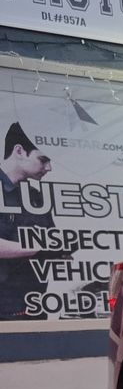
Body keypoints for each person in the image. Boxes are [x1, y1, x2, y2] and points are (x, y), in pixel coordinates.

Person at [0, 121, 57, 319]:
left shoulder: (36, 196)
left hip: (34, 306)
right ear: (19, 151)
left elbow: (52, 239)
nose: (49, 168)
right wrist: (41, 249)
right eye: (43, 160)